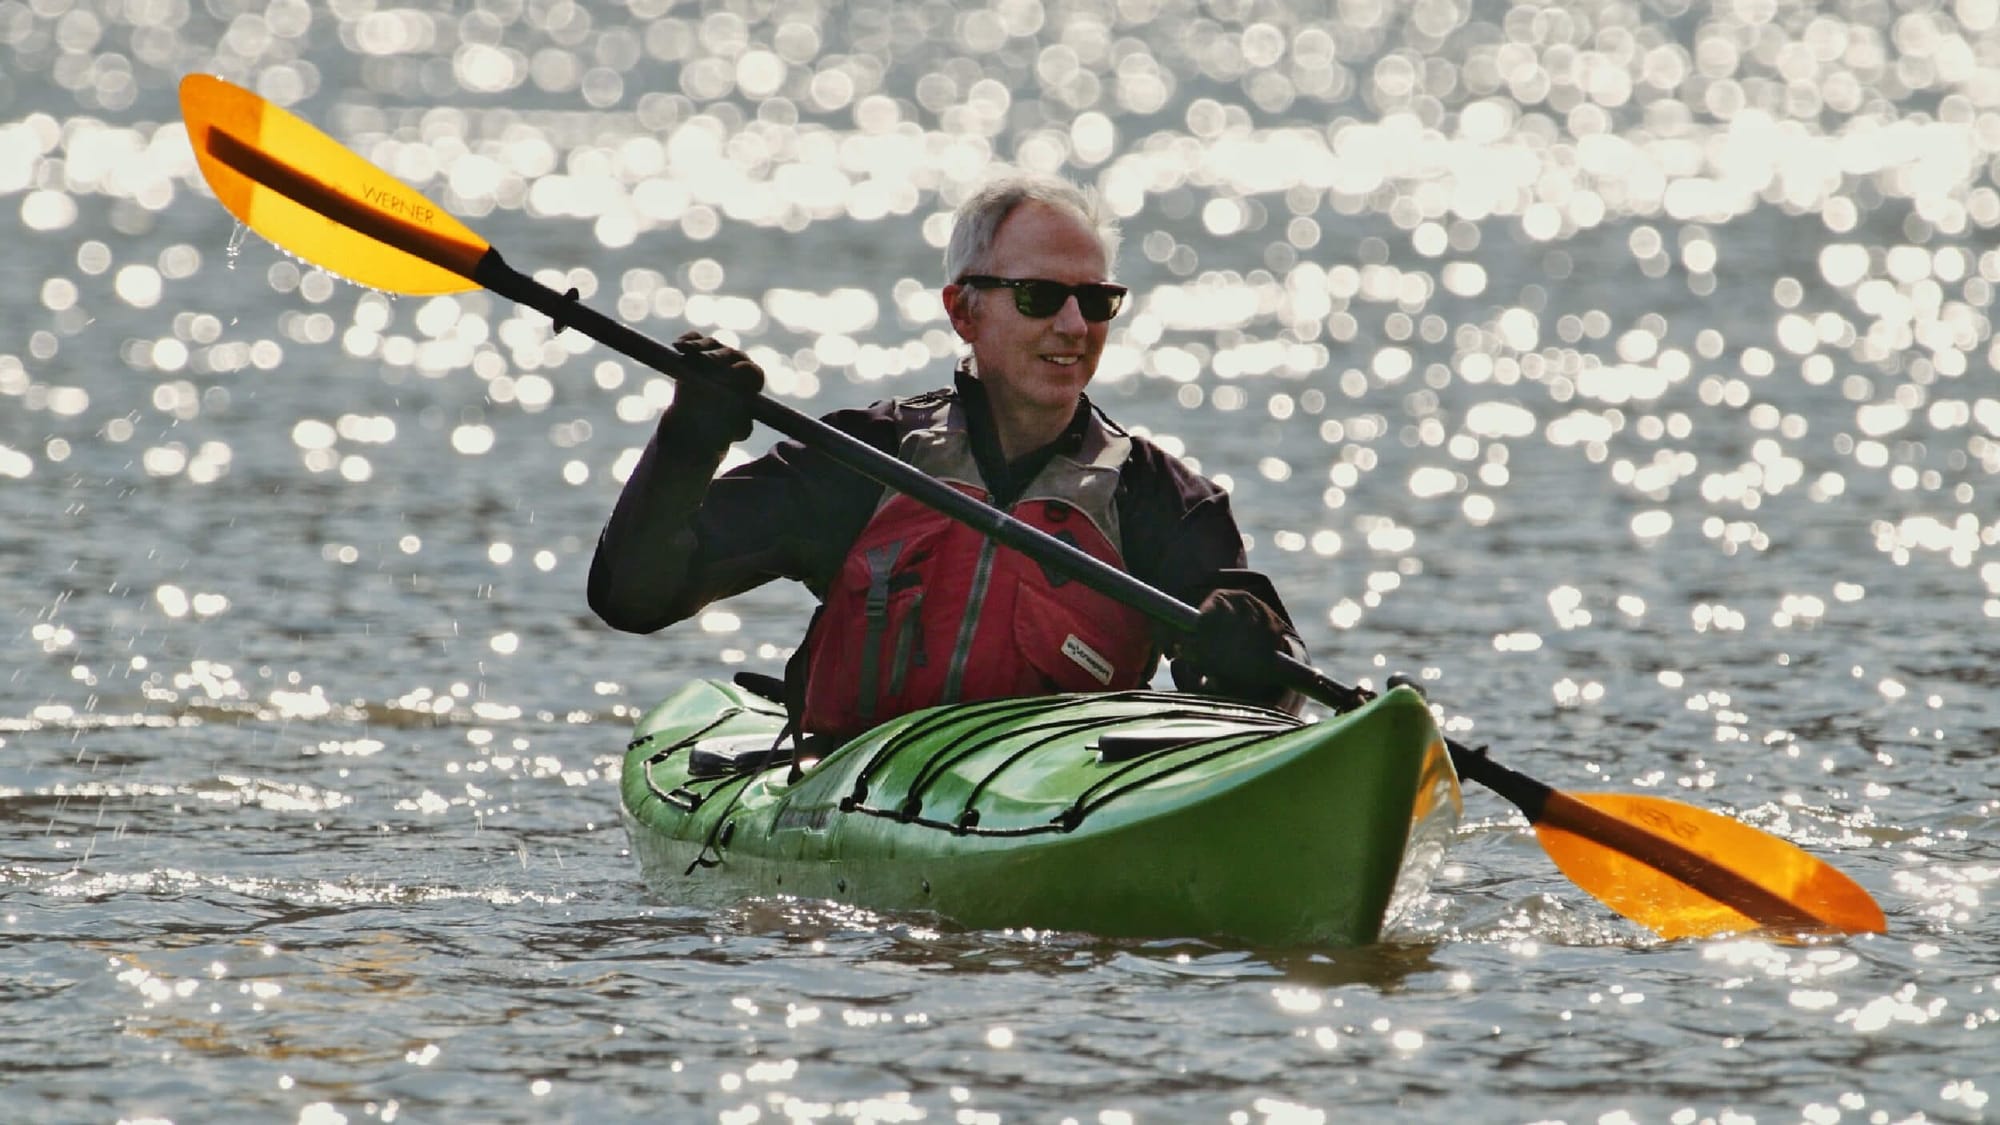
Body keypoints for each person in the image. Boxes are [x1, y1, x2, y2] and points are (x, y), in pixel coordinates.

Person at [589, 172, 1305, 741]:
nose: (1073, 325)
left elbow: (1275, 697)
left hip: (1058, 810)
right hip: (859, 792)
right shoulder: (862, 459)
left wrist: (1248, 642)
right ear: (964, 311)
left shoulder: (1161, 500)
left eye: (1096, 301)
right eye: (1040, 295)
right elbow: (634, 597)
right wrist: (691, 439)